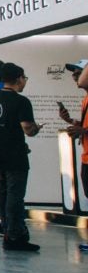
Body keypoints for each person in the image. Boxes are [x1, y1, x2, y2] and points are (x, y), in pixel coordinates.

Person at [0, 63, 43, 252]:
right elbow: (28, 129)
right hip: (16, 156)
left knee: (3, 193)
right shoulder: (21, 101)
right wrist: (36, 128)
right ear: (18, 78)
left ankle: (7, 228)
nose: (25, 82)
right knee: (15, 196)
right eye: (24, 78)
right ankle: (15, 235)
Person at [57, 58, 88, 233]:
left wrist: (82, 131)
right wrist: (70, 120)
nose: (75, 76)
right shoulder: (85, 100)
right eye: (74, 73)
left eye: (79, 72)